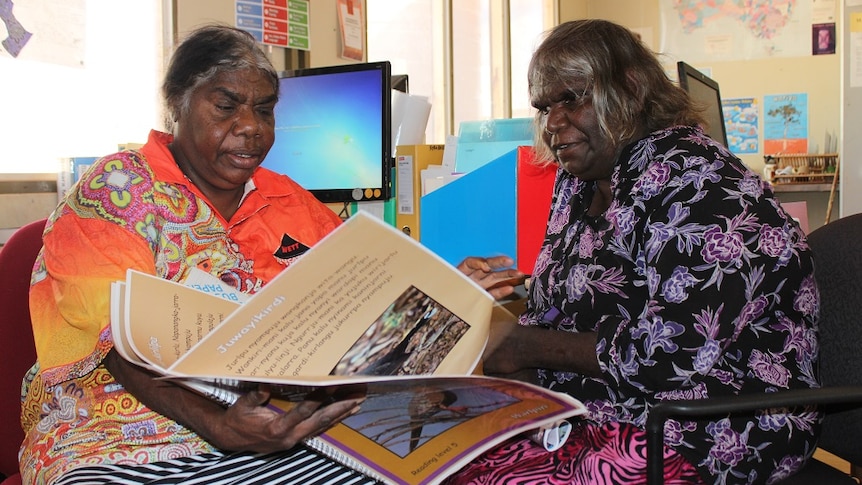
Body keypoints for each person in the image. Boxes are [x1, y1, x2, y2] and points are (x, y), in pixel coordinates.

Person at [18, 25, 520, 485]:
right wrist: (220, 426)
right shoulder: (116, 190)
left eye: (264, 110)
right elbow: (118, 346)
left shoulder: (288, 200)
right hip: (122, 441)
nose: (251, 127)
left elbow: (365, 313)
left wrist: (443, 292)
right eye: (226, 106)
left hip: (281, 435)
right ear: (177, 102)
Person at [448, 19, 820, 485]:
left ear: (632, 87)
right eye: (544, 107)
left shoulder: (705, 188)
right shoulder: (580, 182)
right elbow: (554, 314)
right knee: (433, 454)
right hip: (596, 411)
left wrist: (523, 345)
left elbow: (671, 355)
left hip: (712, 423)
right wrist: (478, 310)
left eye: (572, 98)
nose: (553, 123)